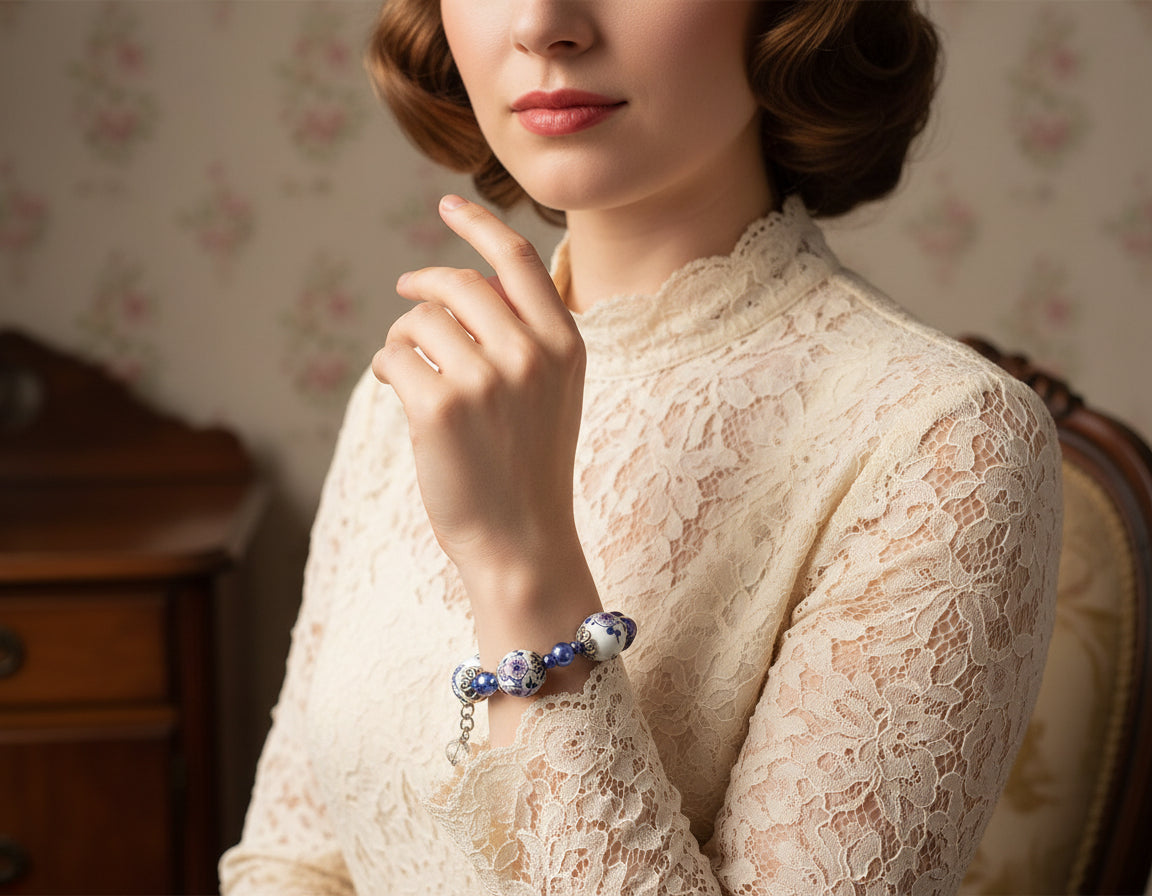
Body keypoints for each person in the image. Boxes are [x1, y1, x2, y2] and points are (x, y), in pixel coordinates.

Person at [220, 0, 1063, 893]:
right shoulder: (425, 382)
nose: (544, 23)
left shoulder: (946, 441)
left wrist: (521, 563)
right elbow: (289, 857)